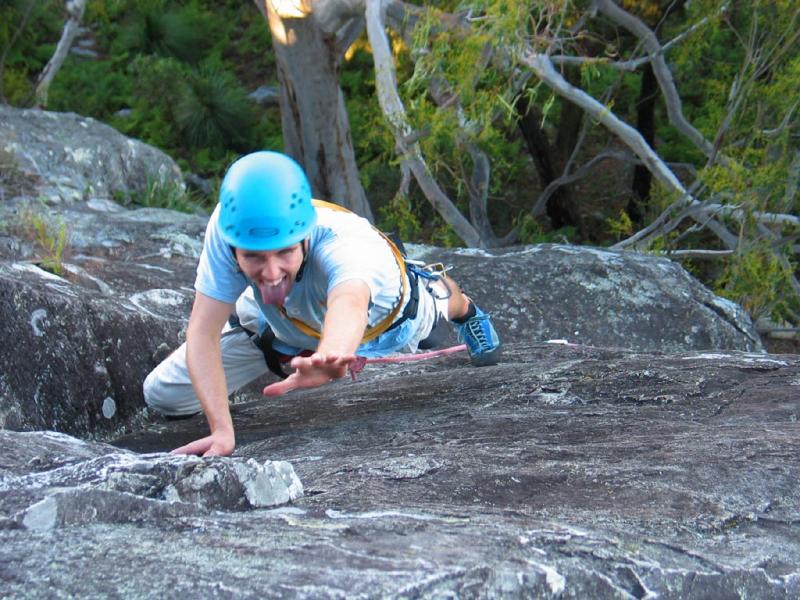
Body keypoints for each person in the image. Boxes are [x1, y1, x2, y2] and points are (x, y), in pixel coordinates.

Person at [143, 151, 501, 457]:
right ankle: (282, 342)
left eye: (284, 252)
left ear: (304, 237)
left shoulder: (346, 248)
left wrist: (329, 356)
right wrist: (222, 430)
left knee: (439, 301)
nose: (270, 272)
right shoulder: (229, 228)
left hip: (386, 319)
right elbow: (202, 331)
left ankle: (467, 308)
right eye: (254, 257)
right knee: (162, 395)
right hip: (286, 324)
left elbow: (349, 303)